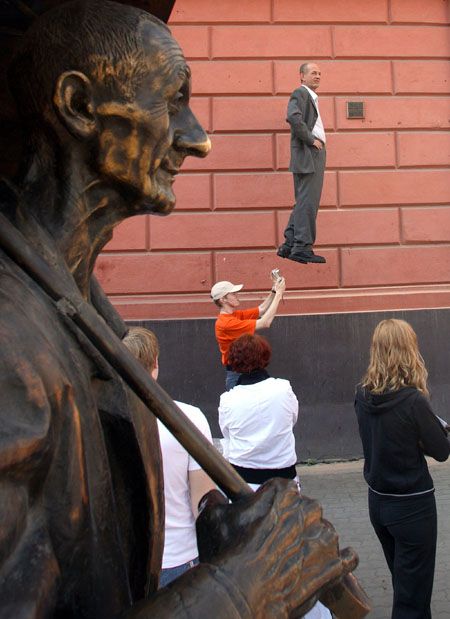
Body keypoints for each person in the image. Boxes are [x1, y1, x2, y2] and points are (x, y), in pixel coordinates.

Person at [0, 2, 359, 617]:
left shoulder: (80, 308)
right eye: (171, 103)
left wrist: (220, 554)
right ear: (80, 106)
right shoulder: (11, 339)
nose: (198, 139)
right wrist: (242, 585)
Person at [218, 333, 332, 619]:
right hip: (285, 484)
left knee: (250, 555)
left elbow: (227, 437)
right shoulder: (283, 389)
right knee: (294, 549)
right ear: (264, 357)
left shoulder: (229, 400)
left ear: (234, 364)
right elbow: (291, 419)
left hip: (244, 486)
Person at [355, 319, 450, 619]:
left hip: (379, 503)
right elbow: (442, 451)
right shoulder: (413, 401)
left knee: (407, 586)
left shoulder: (362, 394)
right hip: (412, 507)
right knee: (412, 599)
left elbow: (384, 439)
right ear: (408, 350)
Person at [123, 327, 216, 587]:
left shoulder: (102, 421)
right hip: (179, 558)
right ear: (155, 364)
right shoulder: (189, 419)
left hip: (125, 566)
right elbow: (202, 499)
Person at [278, 62, 326, 264]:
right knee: (309, 202)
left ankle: (290, 244)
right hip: (309, 154)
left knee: (304, 201)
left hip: (308, 154)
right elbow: (293, 117)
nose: (318, 76)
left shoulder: (310, 96)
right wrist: (310, 140)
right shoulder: (301, 93)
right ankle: (302, 247)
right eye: (313, 73)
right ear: (302, 76)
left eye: (320, 73)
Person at [211, 274, 286, 390]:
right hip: (238, 375)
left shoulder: (233, 316)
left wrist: (274, 291)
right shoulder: (226, 323)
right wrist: (279, 294)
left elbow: (261, 310)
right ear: (223, 299)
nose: (237, 296)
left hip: (246, 371)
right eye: (233, 294)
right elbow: (265, 322)